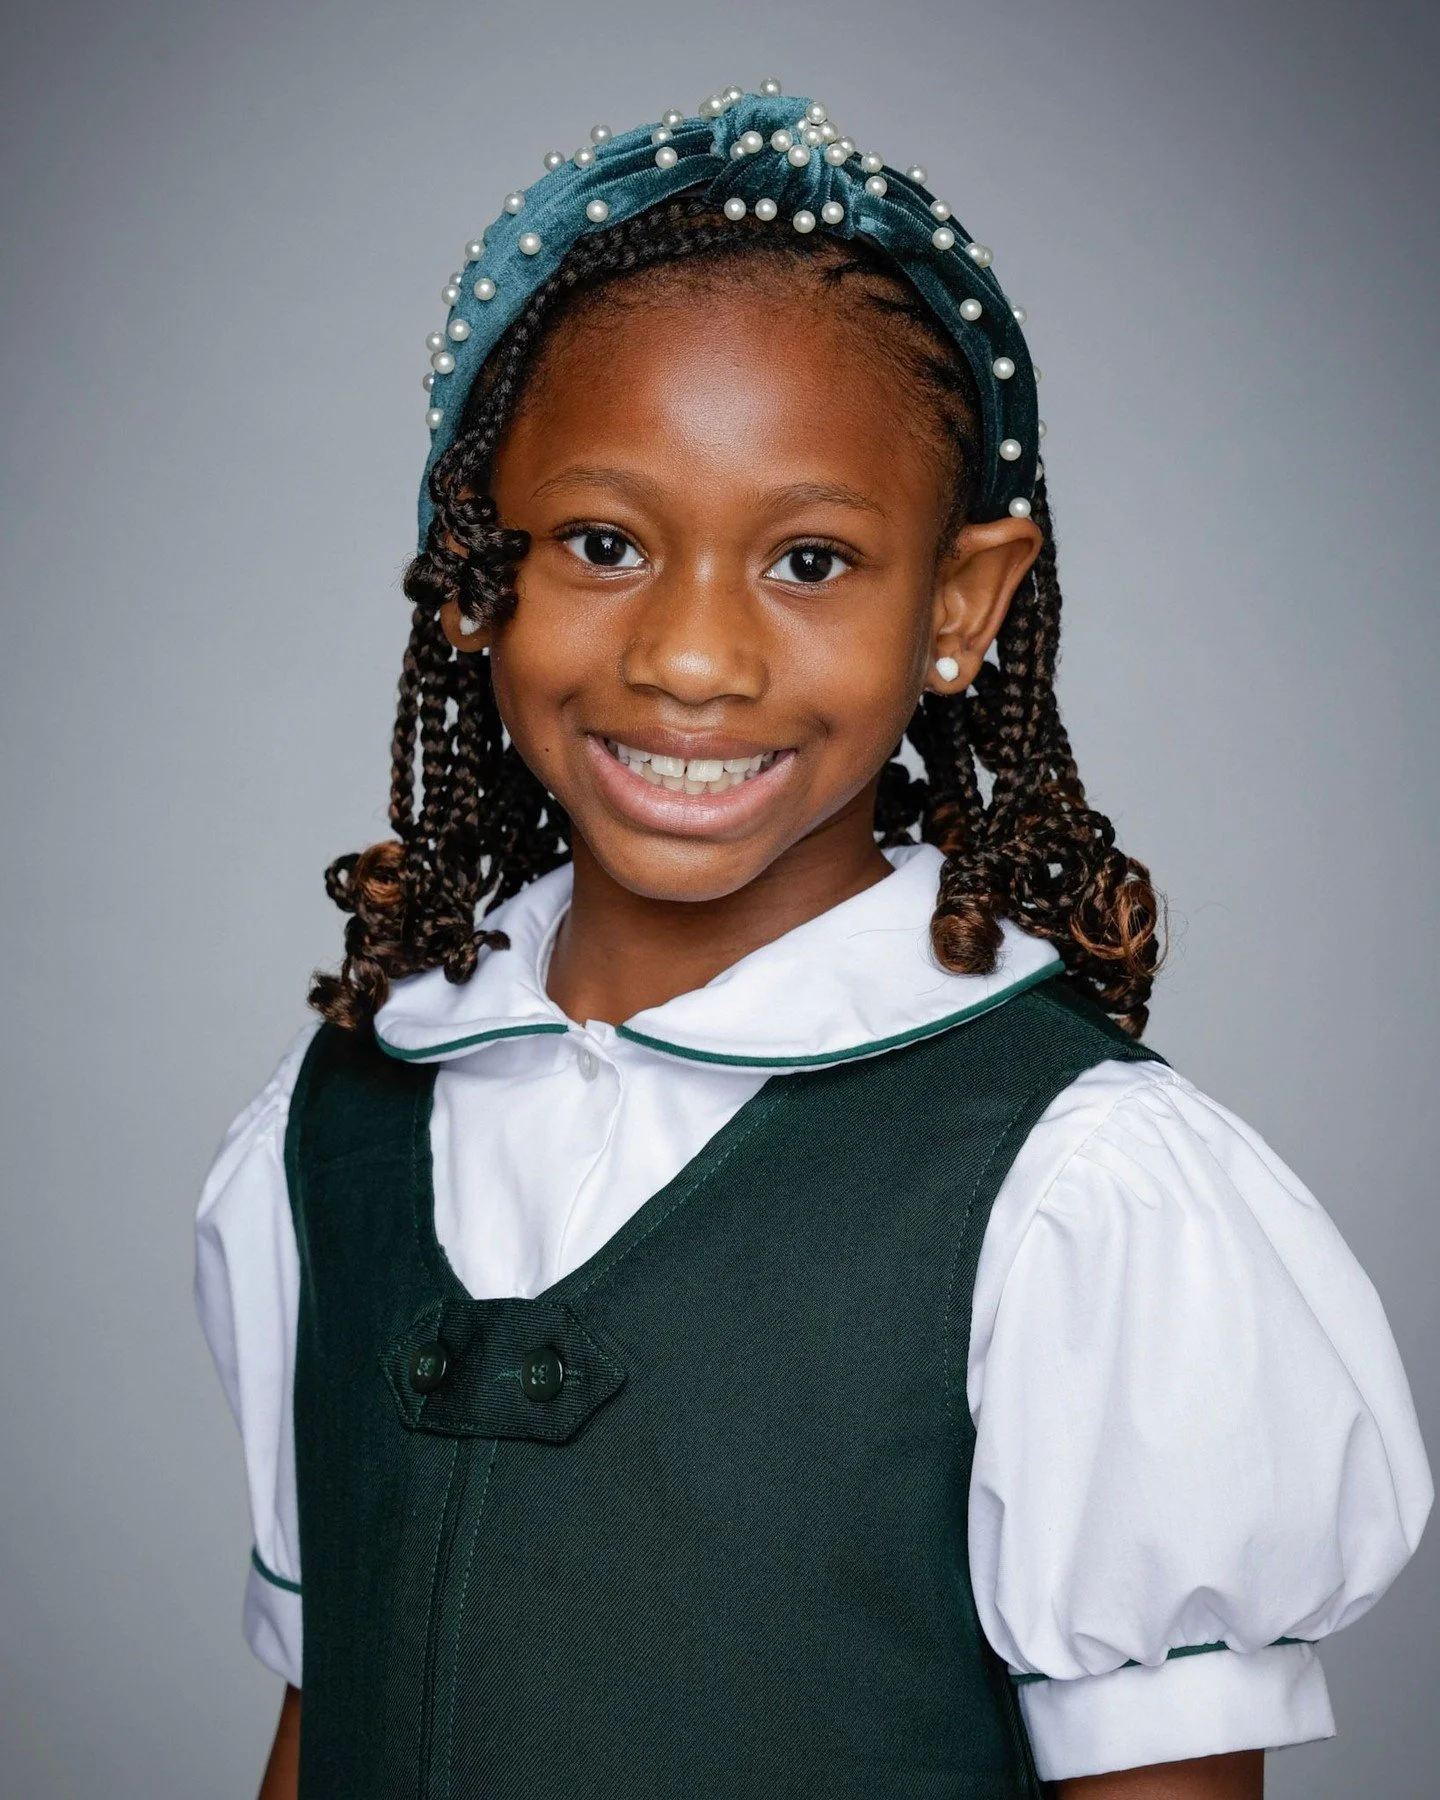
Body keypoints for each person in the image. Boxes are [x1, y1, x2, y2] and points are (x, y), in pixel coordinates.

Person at [194, 81, 1431, 1800]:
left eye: (811, 559)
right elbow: (325, 1733)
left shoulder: (1074, 1194)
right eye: (605, 543)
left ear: (960, 603)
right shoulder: (330, 1138)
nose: (693, 658)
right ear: (476, 573)